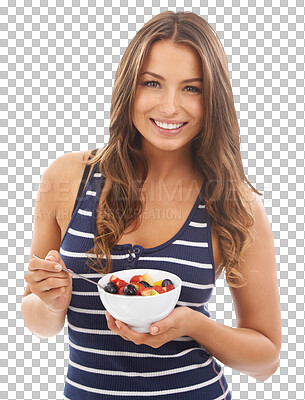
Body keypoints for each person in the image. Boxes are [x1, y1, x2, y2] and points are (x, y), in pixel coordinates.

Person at [21, 10, 281, 400]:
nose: (170, 106)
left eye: (192, 88)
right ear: (130, 87)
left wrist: (196, 326)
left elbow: (266, 361)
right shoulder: (67, 177)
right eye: (153, 83)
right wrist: (52, 302)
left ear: (214, 99)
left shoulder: (233, 201)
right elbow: (39, 322)